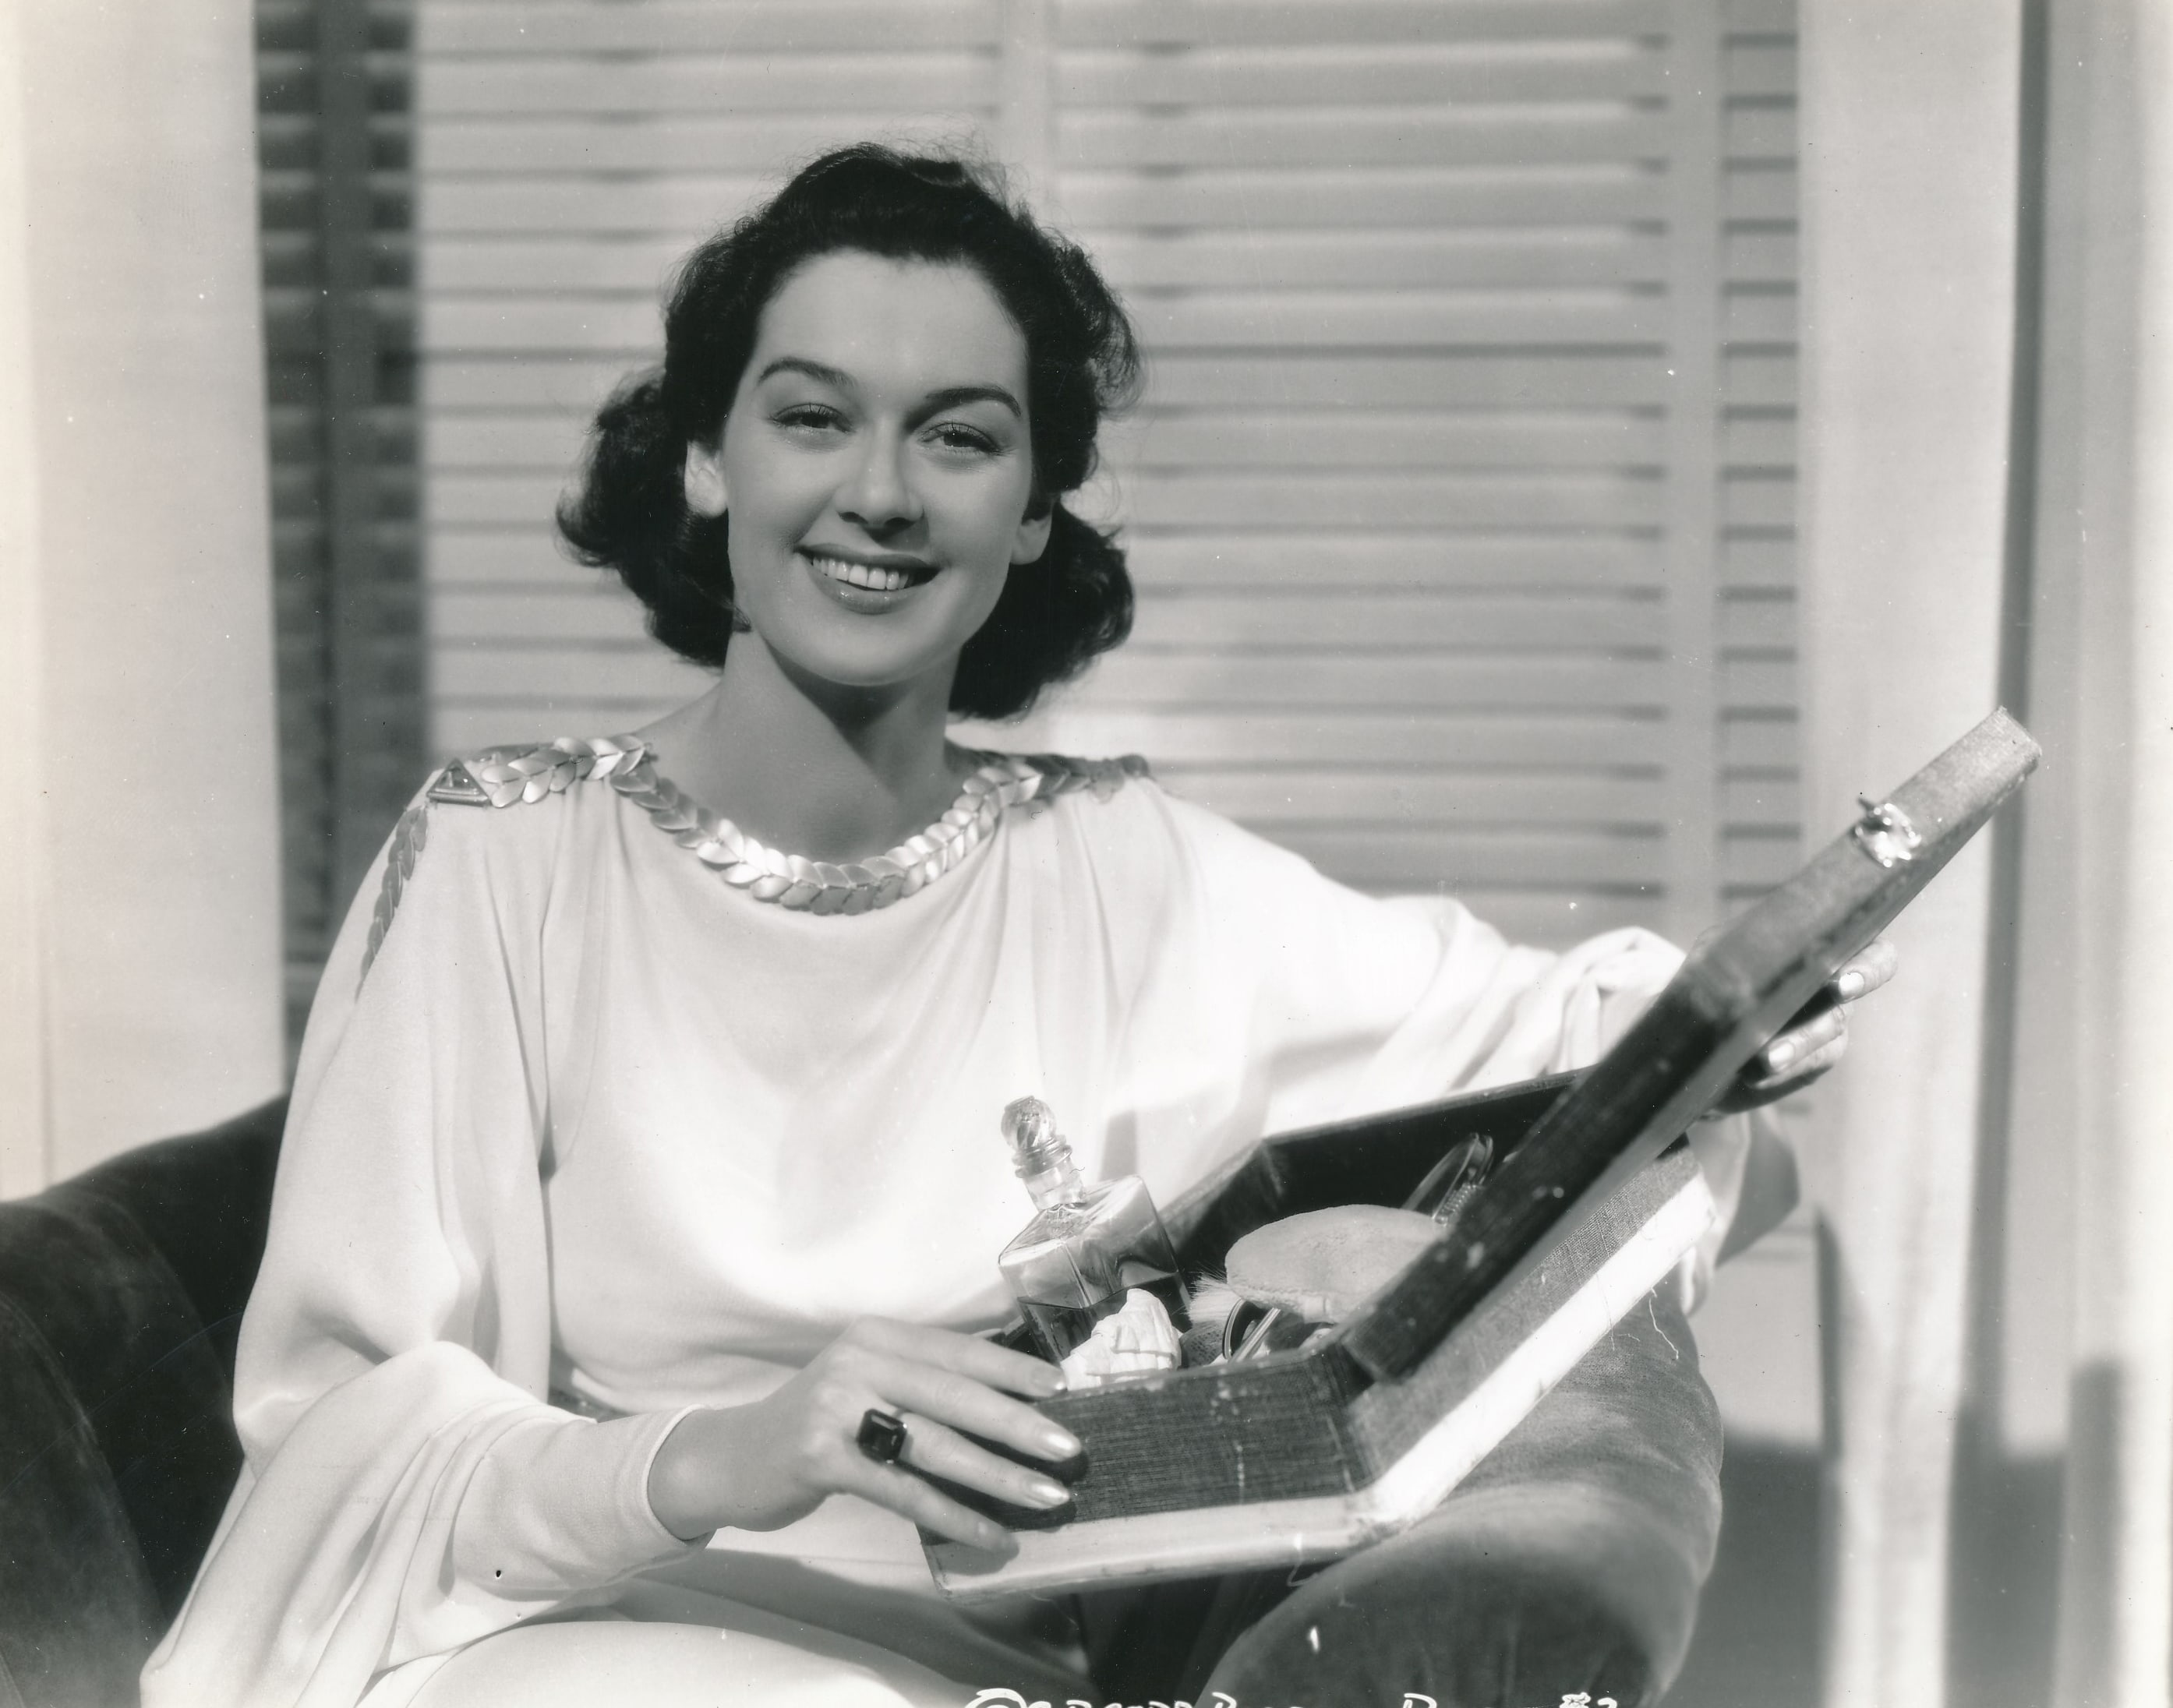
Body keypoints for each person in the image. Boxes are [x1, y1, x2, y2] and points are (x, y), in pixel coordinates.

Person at [141, 146, 1885, 1708]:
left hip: (988, 1673)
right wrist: (733, 1449)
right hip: (582, 1651)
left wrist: (1738, 1023)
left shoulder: (1117, 865)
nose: (883, 495)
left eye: (960, 436)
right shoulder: (504, 861)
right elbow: (342, 1446)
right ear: (702, 459)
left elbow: (1569, 1039)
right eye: (812, 418)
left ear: (1035, 506)